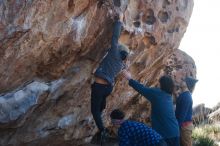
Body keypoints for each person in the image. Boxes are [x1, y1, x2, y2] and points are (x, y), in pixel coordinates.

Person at [91, 12, 129, 142]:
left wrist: (119, 21)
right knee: (100, 105)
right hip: (107, 88)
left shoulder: (114, 53)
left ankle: (102, 131)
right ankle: (101, 116)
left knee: (94, 110)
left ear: (119, 51)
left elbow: (115, 37)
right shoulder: (121, 64)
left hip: (100, 86)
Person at [122, 70, 180, 146]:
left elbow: (141, 89)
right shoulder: (169, 95)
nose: (158, 84)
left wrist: (129, 78)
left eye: (159, 83)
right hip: (175, 131)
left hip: (165, 134)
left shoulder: (157, 93)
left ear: (162, 84)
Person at [175, 77, 198, 146]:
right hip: (184, 126)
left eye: (184, 81)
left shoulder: (186, 97)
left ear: (187, 84)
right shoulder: (184, 95)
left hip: (184, 127)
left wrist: (176, 127)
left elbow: (182, 115)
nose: (182, 81)